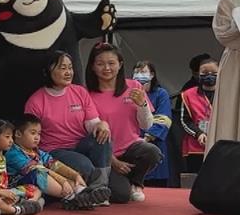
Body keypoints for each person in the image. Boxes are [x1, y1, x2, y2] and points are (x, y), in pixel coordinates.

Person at [23, 50, 113, 193]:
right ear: (48, 71)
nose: (68, 72)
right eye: (62, 68)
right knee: (86, 166)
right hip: (55, 150)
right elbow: (29, 137)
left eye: (70, 68)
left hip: (80, 144)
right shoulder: (36, 101)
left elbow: (93, 125)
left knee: (104, 136)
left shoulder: (80, 92)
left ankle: (99, 187)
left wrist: (102, 125)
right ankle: (96, 189)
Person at [85, 43, 161, 202]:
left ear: (120, 65)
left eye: (111, 63)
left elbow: (147, 125)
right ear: (92, 66)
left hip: (131, 148)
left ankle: (136, 183)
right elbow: (88, 134)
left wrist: (142, 105)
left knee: (152, 152)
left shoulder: (134, 86)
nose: (107, 68)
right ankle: (118, 182)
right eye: (100, 64)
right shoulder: (86, 94)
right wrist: (114, 162)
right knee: (120, 196)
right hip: (104, 155)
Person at [8, 114, 106, 209]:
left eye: (39, 134)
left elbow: (54, 164)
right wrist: (63, 181)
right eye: (33, 133)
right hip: (21, 189)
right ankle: (74, 197)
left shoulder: (37, 151)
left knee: (66, 174)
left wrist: (75, 175)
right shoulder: (12, 153)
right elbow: (38, 169)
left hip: (44, 190)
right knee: (37, 173)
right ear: (18, 134)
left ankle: (83, 193)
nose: (37, 137)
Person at [0, 119, 46, 212]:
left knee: (36, 188)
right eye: (7, 137)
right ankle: (21, 207)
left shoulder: (3, 157)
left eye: (11, 137)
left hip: (7, 191)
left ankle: (29, 203)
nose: (11, 141)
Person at [131, 61, 174, 186]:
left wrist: (147, 138)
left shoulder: (161, 94)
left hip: (154, 143)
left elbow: (164, 119)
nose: (139, 75)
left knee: (156, 183)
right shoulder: (129, 93)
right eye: (136, 72)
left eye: (143, 72)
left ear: (152, 75)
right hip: (132, 145)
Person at [210, 0, 238, 149]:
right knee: (230, 113)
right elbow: (223, 34)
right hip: (235, 62)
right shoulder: (229, 2)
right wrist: (237, 22)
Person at [178, 57, 218, 173]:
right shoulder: (187, 95)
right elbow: (184, 120)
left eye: (214, 73)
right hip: (195, 146)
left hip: (220, 144)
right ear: (198, 74)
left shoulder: (228, 93)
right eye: (204, 73)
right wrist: (199, 134)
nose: (209, 75)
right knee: (196, 178)